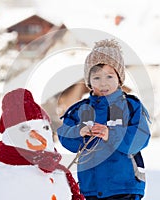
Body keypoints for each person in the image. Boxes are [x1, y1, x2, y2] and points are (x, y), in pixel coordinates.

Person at [57, 39, 151, 200]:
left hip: (124, 185)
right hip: (91, 187)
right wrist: (79, 132)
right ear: (89, 81)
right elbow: (64, 135)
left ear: (119, 78)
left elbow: (140, 137)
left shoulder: (130, 106)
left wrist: (111, 134)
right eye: (97, 78)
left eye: (109, 76)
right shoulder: (80, 109)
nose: (103, 83)